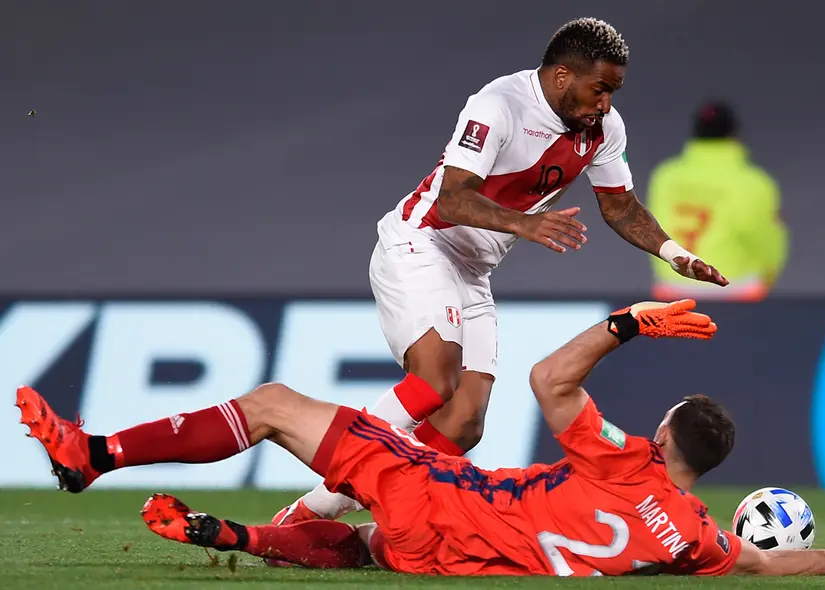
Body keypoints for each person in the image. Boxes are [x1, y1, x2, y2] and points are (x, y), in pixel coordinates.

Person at [18, 300, 825, 578]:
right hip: (450, 558)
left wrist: (627, 323)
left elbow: (551, 382)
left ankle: (91, 455)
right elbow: (767, 569)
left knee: (272, 405)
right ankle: (244, 537)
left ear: (664, 432)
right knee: (372, 543)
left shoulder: (626, 459)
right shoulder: (694, 538)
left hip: (442, 495)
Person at [271, 16, 730, 534]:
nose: (605, 104)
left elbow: (620, 207)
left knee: (465, 422)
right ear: (562, 77)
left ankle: (316, 510)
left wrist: (673, 253)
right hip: (422, 240)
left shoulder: (604, 128)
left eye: (613, 92)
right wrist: (525, 223)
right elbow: (452, 197)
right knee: (433, 380)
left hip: (472, 270)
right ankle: (316, 496)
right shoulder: (498, 105)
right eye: (599, 89)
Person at [646, 100, 787, 301]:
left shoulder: (665, 176)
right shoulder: (754, 182)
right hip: (735, 287)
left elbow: (650, 228)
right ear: (734, 135)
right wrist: (767, 278)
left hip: (673, 287)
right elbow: (766, 240)